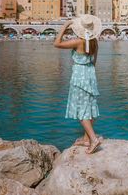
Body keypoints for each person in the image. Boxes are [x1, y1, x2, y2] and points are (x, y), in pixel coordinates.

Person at [54, 14, 102, 154]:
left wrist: (64, 26)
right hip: (90, 75)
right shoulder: (94, 42)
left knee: (81, 110)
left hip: (79, 76)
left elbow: (57, 43)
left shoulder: (78, 42)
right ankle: (86, 139)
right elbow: (94, 62)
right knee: (90, 107)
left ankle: (93, 140)